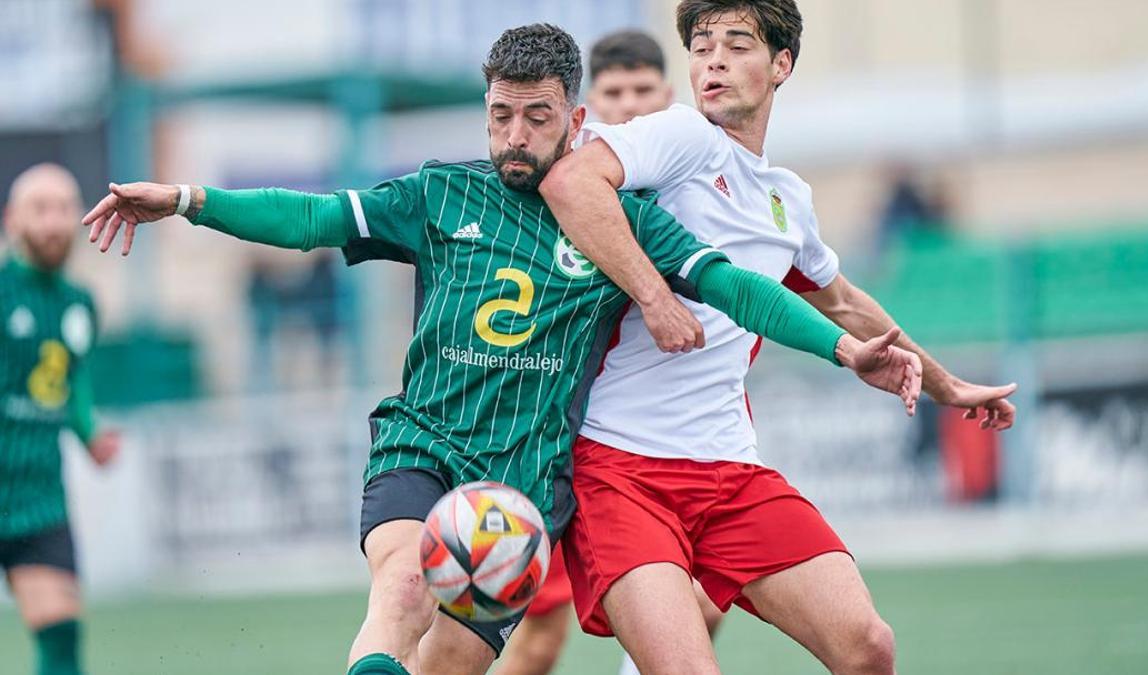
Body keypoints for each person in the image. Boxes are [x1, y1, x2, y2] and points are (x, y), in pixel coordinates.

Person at [82, 24, 923, 675]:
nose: (515, 135)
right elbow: (313, 218)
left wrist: (840, 348)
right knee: (404, 585)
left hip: (524, 485)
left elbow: (737, 287)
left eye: (537, 117)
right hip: (423, 443)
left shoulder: (622, 223)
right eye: (499, 116)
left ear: (576, 120)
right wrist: (188, 199)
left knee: (450, 664)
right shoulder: (441, 193)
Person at [538, 2, 1018, 674]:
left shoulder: (786, 199)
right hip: (619, 469)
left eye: (737, 46)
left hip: (728, 469)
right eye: (702, 47)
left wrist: (948, 385)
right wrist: (653, 295)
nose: (714, 62)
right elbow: (569, 180)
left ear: (781, 64)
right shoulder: (681, 135)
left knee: (867, 646)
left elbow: (844, 302)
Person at [498, 29, 722, 675]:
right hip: (553, 442)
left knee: (706, 599)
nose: (629, 105)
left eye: (642, 91)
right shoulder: (563, 184)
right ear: (587, 108)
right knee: (538, 638)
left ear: (669, 97)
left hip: (654, 440)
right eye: (614, 93)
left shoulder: (691, 184)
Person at [1, 163, 121, 675]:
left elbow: (74, 383)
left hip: (39, 499)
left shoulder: (80, 304)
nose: (53, 222)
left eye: (64, 209)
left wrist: (90, 432)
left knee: (61, 637)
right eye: (40, 209)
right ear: (12, 219)